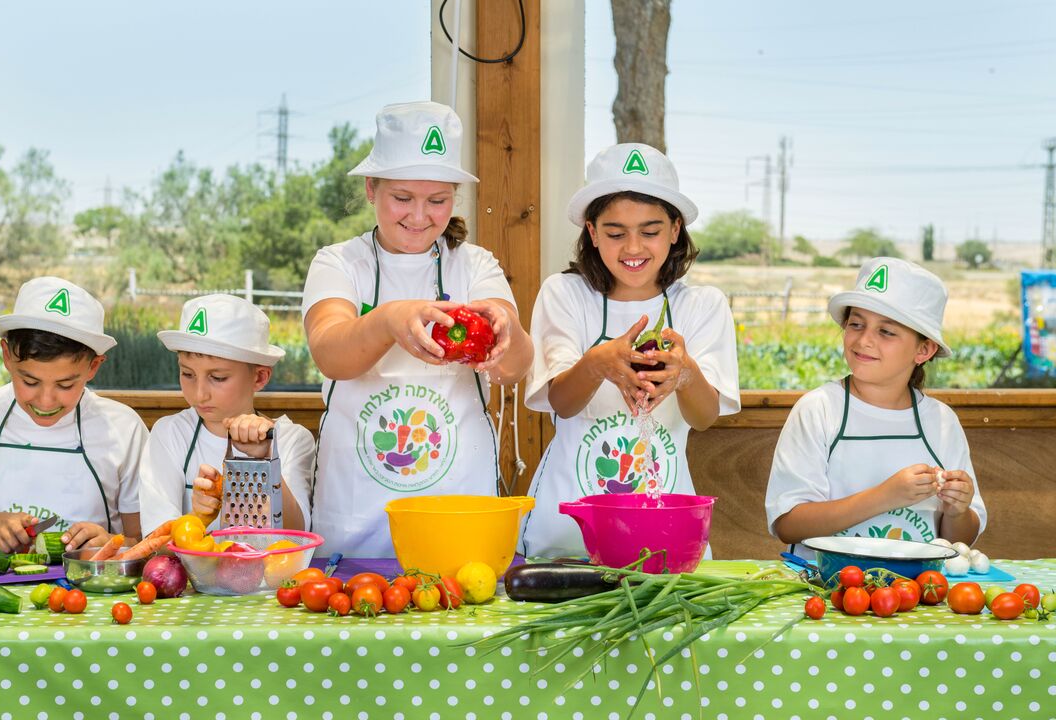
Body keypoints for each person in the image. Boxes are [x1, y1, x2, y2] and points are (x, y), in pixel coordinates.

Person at [301, 100, 534, 557]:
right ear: (371, 189)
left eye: (438, 201)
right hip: (358, 511)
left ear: (454, 198)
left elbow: (515, 367)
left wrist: (506, 330)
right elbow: (330, 353)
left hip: (458, 505)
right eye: (402, 198)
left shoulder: (475, 265)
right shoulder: (339, 263)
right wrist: (390, 318)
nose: (419, 215)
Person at [520, 143, 740, 559]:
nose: (633, 248)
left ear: (675, 230)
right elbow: (562, 403)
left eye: (650, 231)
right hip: (566, 533)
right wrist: (597, 363)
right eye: (616, 233)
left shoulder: (702, 306)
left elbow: (704, 417)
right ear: (592, 232)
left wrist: (685, 373)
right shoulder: (565, 294)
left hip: (666, 530)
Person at [766, 257, 987, 558]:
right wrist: (885, 496)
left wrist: (957, 510)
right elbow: (788, 525)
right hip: (826, 582)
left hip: (914, 585)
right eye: (856, 324)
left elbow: (960, 540)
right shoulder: (819, 410)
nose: (864, 340)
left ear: (924, 349)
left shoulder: (941, 421)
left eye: (886, 331)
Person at [0, 277, 147, 555]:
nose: (45, 401)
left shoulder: (123, 427)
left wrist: (111, 542)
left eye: (65, 385)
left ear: (93, 367)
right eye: (30, 381)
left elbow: (144, 540)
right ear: (7, 356)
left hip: (86, 583)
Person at [138, 294, 315, 534]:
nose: (200, 394)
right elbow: (156, 541)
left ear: (259, 377)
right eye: (187, 374)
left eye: (218, 378)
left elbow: (297, 534)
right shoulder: (170, 433)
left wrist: (267, 460)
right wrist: (197, 518)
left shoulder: (292, 439)